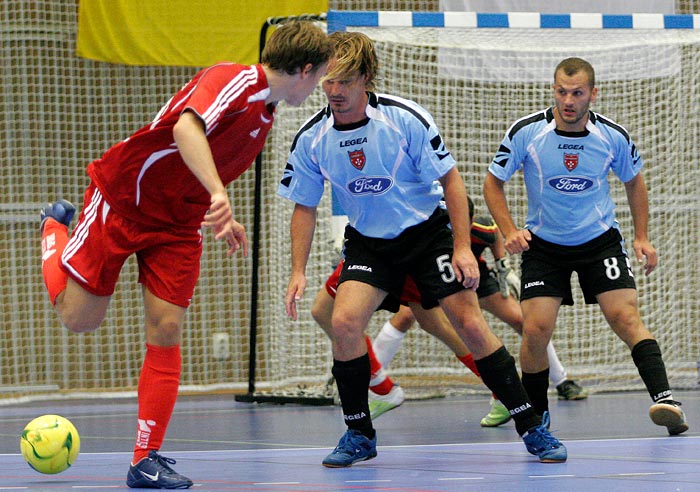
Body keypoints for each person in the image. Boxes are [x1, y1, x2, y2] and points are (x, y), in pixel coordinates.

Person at [39, 21, 333, 489]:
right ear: (303, 70)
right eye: (319, 78)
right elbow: (185, 128)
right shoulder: (234, 79)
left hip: (177, 225)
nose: (318, 88)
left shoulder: (266, 116)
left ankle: (144, 459)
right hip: (124, 198)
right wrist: (220, 192)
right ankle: (54, 229)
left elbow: (205, 164)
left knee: (168, 327)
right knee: (79, 319)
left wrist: (221, 210)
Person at [278, 31, 567, 467]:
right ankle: (359, 432)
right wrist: (297, 270)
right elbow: (304, 205)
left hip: (426, 235)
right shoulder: (312, 136)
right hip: (370, 245)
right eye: (328, 81)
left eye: (345, 81)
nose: (335, 91)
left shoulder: (404, 119)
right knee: (343, 321)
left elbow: (451, 181)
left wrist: (463, 248)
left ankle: (531, 425)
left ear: (366, 78)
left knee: (469, 323)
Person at [483, 56, 688, 436]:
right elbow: (493, 182)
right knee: (536, 329)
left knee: (625, 317)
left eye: (577, 93)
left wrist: (641, 237)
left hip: (599, 242)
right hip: (544, 245)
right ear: (553, 91)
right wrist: (509, 229)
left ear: (593, 94)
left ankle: (666, 399)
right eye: (562, 92)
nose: (569, 101)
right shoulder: (528, 132)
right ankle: (536, 419)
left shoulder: (612, 136)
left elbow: (634, 182)